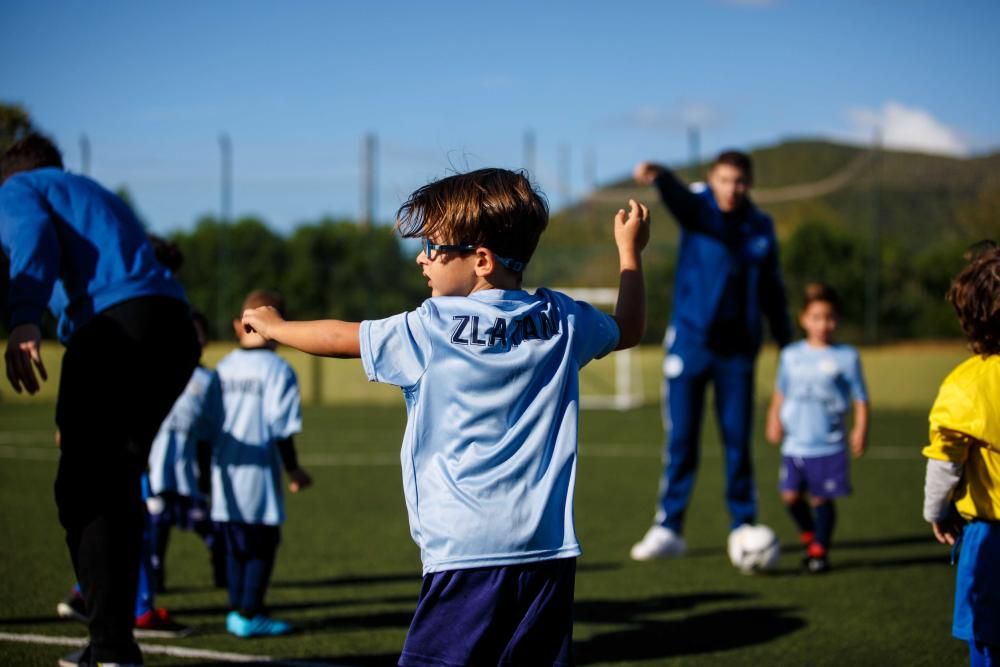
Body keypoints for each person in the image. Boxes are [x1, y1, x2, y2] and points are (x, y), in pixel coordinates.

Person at [242, 168, 649, 665]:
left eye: (434, 246)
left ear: (480, 260)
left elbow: (339, 338)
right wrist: (630, 252)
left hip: (466, 550)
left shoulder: (431, 327)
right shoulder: (562, 320)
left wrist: (275, 325)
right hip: (548, 549)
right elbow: (628, 328)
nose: (422, 257)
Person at [0, 133, 199, 666]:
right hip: (174, 329)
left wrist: (23, 316)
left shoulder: (18, 188)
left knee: (85, 491)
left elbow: (31, 237)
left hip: (115, 329)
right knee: (112, 482)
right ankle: (112, 641)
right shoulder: (93, 192)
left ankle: (112, 647)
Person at [629, 150, 791, 561]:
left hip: (738, 353)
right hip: (690, 345)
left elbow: (773, 290)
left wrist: (789, 345)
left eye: (738, 181)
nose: (731, 189)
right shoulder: (699, 212)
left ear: (749, 183)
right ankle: (669, 527)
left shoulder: (760, 228)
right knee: (681, 439)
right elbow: (681, 200)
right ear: (711, 180)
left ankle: (743, 524)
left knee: (738, 441)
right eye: (723, 180)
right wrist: (662, 174)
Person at [213, 289, 312, 638]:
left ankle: (237, 609)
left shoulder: (222, 368)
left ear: (241, 324)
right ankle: (249, 612)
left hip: (222, 474)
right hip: (257, 476)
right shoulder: (278, 371)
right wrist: (294, 469)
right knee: (261, 544)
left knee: (235, 544)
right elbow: (281, 427)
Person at [922, 241, 1000, 666]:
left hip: (990, 538)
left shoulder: (965, 385)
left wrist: (936, 511)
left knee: (988, 646)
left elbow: (945, 461)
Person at [765, 283, 869, 573]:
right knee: (790, 496)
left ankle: (819, 551)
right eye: (817, 317)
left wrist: (860, 429)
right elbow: (780, 391)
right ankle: (811, 537)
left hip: (828, 442)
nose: (824, 324)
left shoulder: (846, 356)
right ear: (804, 319)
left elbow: (861, 397)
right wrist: (773, 418)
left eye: (830, 317)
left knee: (821, 497)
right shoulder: (791, 355)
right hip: (795, 442)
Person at [146, 310, 227, 592]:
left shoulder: (207, 380)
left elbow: (210, 431)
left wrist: (206, 475)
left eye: (198, 332)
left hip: (189, 470)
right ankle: (155, 577)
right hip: (158, 468)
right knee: (156, 524)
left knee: (206, 524)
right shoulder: (156, 372)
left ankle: (223, 570)